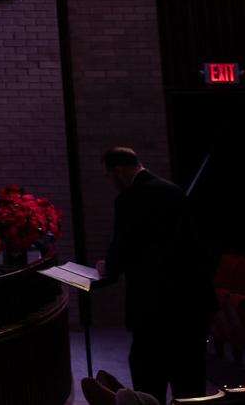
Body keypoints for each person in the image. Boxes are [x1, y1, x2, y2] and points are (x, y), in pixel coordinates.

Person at [96, 146, 213, 401]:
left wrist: (109, 267)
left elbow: (122, 250)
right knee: (190, 385)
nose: (110, 182)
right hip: (188, 306)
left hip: (151, 308)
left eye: (108, 175)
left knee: (149, 384)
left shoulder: (129, 198)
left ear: (119, 171)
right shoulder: (174, 191)